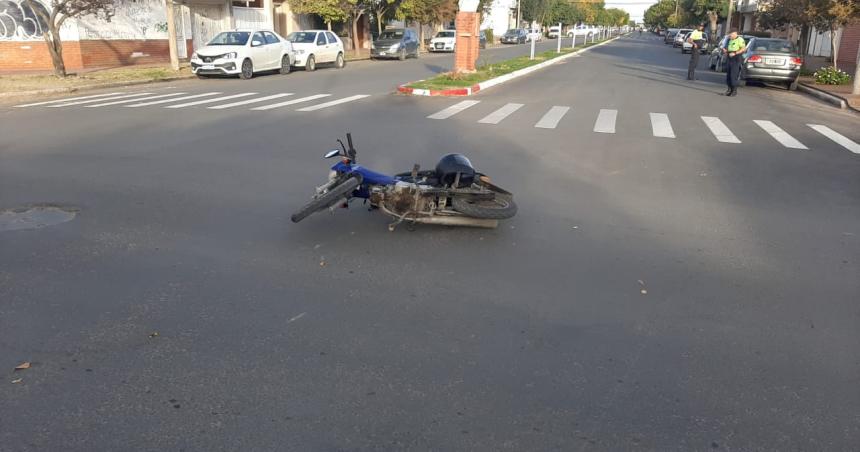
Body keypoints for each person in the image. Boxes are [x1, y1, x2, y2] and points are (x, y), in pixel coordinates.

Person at [723, 29, 747, 96]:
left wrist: (735, 53)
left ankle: (734, 91)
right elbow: (725, 47)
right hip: (729, 57)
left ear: (735, 33)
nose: (730, 35)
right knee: (728, 75)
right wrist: (724, 50)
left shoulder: (740, 39)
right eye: (729, 34)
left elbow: (743, 49)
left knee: (733, 75)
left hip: (736, 58)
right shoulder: (728, 39)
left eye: (731, 34)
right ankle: (729, 90)